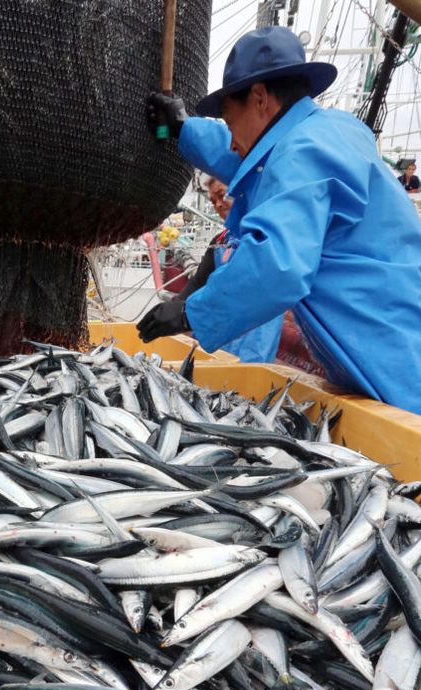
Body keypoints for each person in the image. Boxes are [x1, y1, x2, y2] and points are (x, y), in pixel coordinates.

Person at [142, 27, 421, 414]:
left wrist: (190, 311)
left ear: (259, 98)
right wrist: (185, 127)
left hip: (399, 368)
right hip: (386, 348)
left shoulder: (304, 151)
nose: (231, 137)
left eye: (227, 118)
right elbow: (248, 161)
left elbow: (277, 266)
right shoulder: (329, 132)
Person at [176, 176, 283, 362]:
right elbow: (197, 283)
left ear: (243, 191)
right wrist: (173, 310)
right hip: (218, 341)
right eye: (213, 201)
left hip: (255, 345)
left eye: (221, 195)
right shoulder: (220, 240)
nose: (218, 204)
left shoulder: (267, 236)